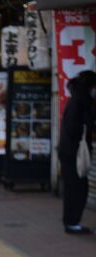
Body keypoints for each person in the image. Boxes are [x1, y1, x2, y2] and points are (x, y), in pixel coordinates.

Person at [58, 70, 96, 235]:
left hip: (69, 151)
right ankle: (72, 223)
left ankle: (72, 221)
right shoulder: (81, 104)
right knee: (77, 188)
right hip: (74, 152)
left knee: (76, 187)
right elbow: (75, 128)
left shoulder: (76, 101)